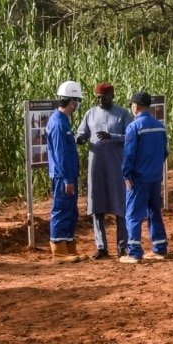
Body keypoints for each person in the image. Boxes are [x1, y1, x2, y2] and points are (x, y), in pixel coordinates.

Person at [75, 83, 132, 259]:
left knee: (120, 207)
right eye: (98, 97)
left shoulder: (123, 114)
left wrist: (112, 137)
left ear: (112, 96)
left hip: (116, 168)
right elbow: (81, 132)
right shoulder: (90, 114)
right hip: (96, 167)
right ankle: (101, 247)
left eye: (104, 97)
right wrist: (80, 138)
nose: (100, 100)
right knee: (97, 206)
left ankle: (122, 247)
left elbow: (131, 137)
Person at [120, 91, 169, 264]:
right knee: (154, 212)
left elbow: (129, 154)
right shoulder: (159, 126)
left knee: (133, 215)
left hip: (138, 179)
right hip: (154, 178)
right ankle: (160, 248)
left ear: (135, 106)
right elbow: (164, 152)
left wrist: (126, 174)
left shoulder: (134, 127)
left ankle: (134, 253)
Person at [47, 80, 85, 263]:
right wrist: (68, 179)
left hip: (68, 175)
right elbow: (61, 154)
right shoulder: (58, 123)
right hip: (63, 177)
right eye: (77, 101)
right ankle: (59, 251)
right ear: (71, 101)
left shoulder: (63, 121)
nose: (77, 105)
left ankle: (69, 246)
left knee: (71, 211)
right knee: (61, 210)